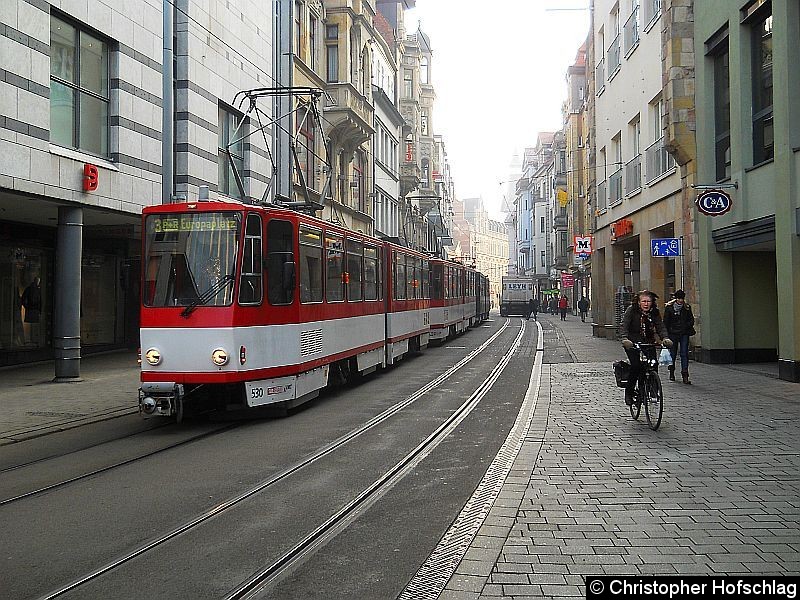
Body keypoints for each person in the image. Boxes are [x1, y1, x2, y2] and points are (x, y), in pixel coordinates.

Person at [619, 289, 672, 405]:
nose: (646, 304)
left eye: (648, 301)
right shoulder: (631, 311)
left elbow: (660, 326)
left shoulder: (654, 312)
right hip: (632, 343)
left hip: (648, 342)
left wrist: (665, 338)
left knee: (653, 364)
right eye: (643, 301)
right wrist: (625, 339)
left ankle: (653, 390)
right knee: (636, 366)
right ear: (638, 302)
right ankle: (629, 392)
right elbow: (624, 326)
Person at [663, 289, 695, 384]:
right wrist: (666, 335)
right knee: (672, 354)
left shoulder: (686, 308)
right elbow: (665, 322)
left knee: (684, 353)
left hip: (684, 333)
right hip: (673, 333)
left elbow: (691, 320)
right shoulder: (669, 308)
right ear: (676, 298)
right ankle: (672, 372)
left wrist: (685, 326)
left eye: (682, 298)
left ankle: (685, 374)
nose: (680, 300)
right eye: (679, 298)